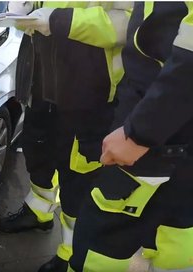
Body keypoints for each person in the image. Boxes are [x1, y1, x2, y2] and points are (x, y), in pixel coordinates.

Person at [0, 2, 131, 271]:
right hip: (43, 76)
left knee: (78, 174)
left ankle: (72, 251)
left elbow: (125, 22)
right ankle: (38, 212)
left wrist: (59, 21)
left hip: (88, 90)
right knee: (38, 151)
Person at [69, 2, 193, 271]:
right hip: (167, 131)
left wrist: (139, 134)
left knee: (100, 242)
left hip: (155, 141)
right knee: (178, 232)